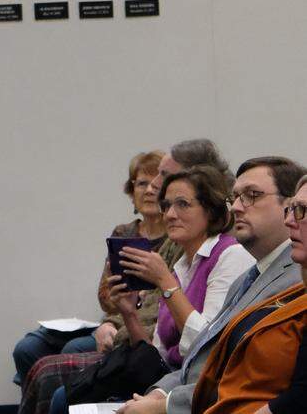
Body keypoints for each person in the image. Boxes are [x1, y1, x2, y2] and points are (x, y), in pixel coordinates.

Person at [23, 140, 233, 414]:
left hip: (189, 380)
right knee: (44, 368)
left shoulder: (227, 255)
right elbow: (153, 352)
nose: (169, 213)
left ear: (211, 207)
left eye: (182, 204)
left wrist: (165, 283)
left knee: (61, 389)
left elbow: (205, 348)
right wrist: (128, 314)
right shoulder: (181, 261)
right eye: (167, 205)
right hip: (161, 371)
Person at [108, 156, 307, 414]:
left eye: (251, 195)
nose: (236, 207)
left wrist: (164, 406)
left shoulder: (293, 280)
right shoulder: (246, 276)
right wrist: (159, 394)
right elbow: (202, 357)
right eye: (234, 197)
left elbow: (251, 382)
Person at [12, 151, 170, 387]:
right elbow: (105, 297)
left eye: (155, 184)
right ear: (131, 191)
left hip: (141, 325)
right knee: (27, 348)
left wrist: (132, 303)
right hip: (113, 319)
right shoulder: (123, 233)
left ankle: (66, 399)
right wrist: (118, 308)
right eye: (141, 183)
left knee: (72, 349)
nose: (148, 190)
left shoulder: (175, 239)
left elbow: (160, 301)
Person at [181, 176, 307, 414]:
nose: (290, 220)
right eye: (291, 210)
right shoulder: (253, 280)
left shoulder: (284, 282)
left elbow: (300, 397)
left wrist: (169, 289)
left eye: (302, 211)